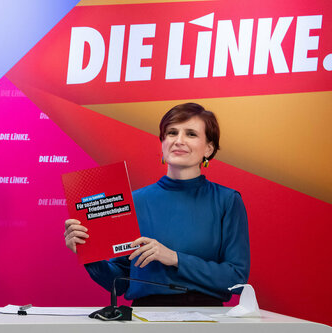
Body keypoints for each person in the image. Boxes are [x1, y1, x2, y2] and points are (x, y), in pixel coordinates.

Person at [64, 103, 249, 306]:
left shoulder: (227, 200)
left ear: (209, 148)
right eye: (172, 133)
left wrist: (174, 258)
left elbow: (236, 279)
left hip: (207, 318)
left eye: (191, 134)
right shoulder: (134, 201)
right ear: (162, 142)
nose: (179, 141)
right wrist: (89, 253)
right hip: (145, 318)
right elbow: (119, 282)